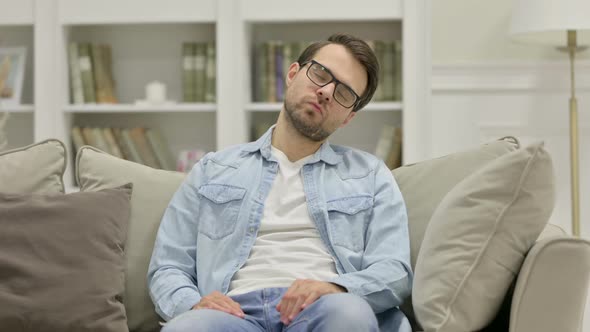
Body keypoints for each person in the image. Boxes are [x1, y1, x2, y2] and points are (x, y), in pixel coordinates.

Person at [147, 33, 412, 332]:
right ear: (292, 74)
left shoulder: (371, 175)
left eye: (345, 93)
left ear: (349, 116)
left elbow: (395, 272)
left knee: (349, 314)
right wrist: (192, 305)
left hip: (326, 311)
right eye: (321, 74)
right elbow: (168, 266)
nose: (326, 91)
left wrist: (336, 288)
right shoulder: (213, 169)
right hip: (233, 316)